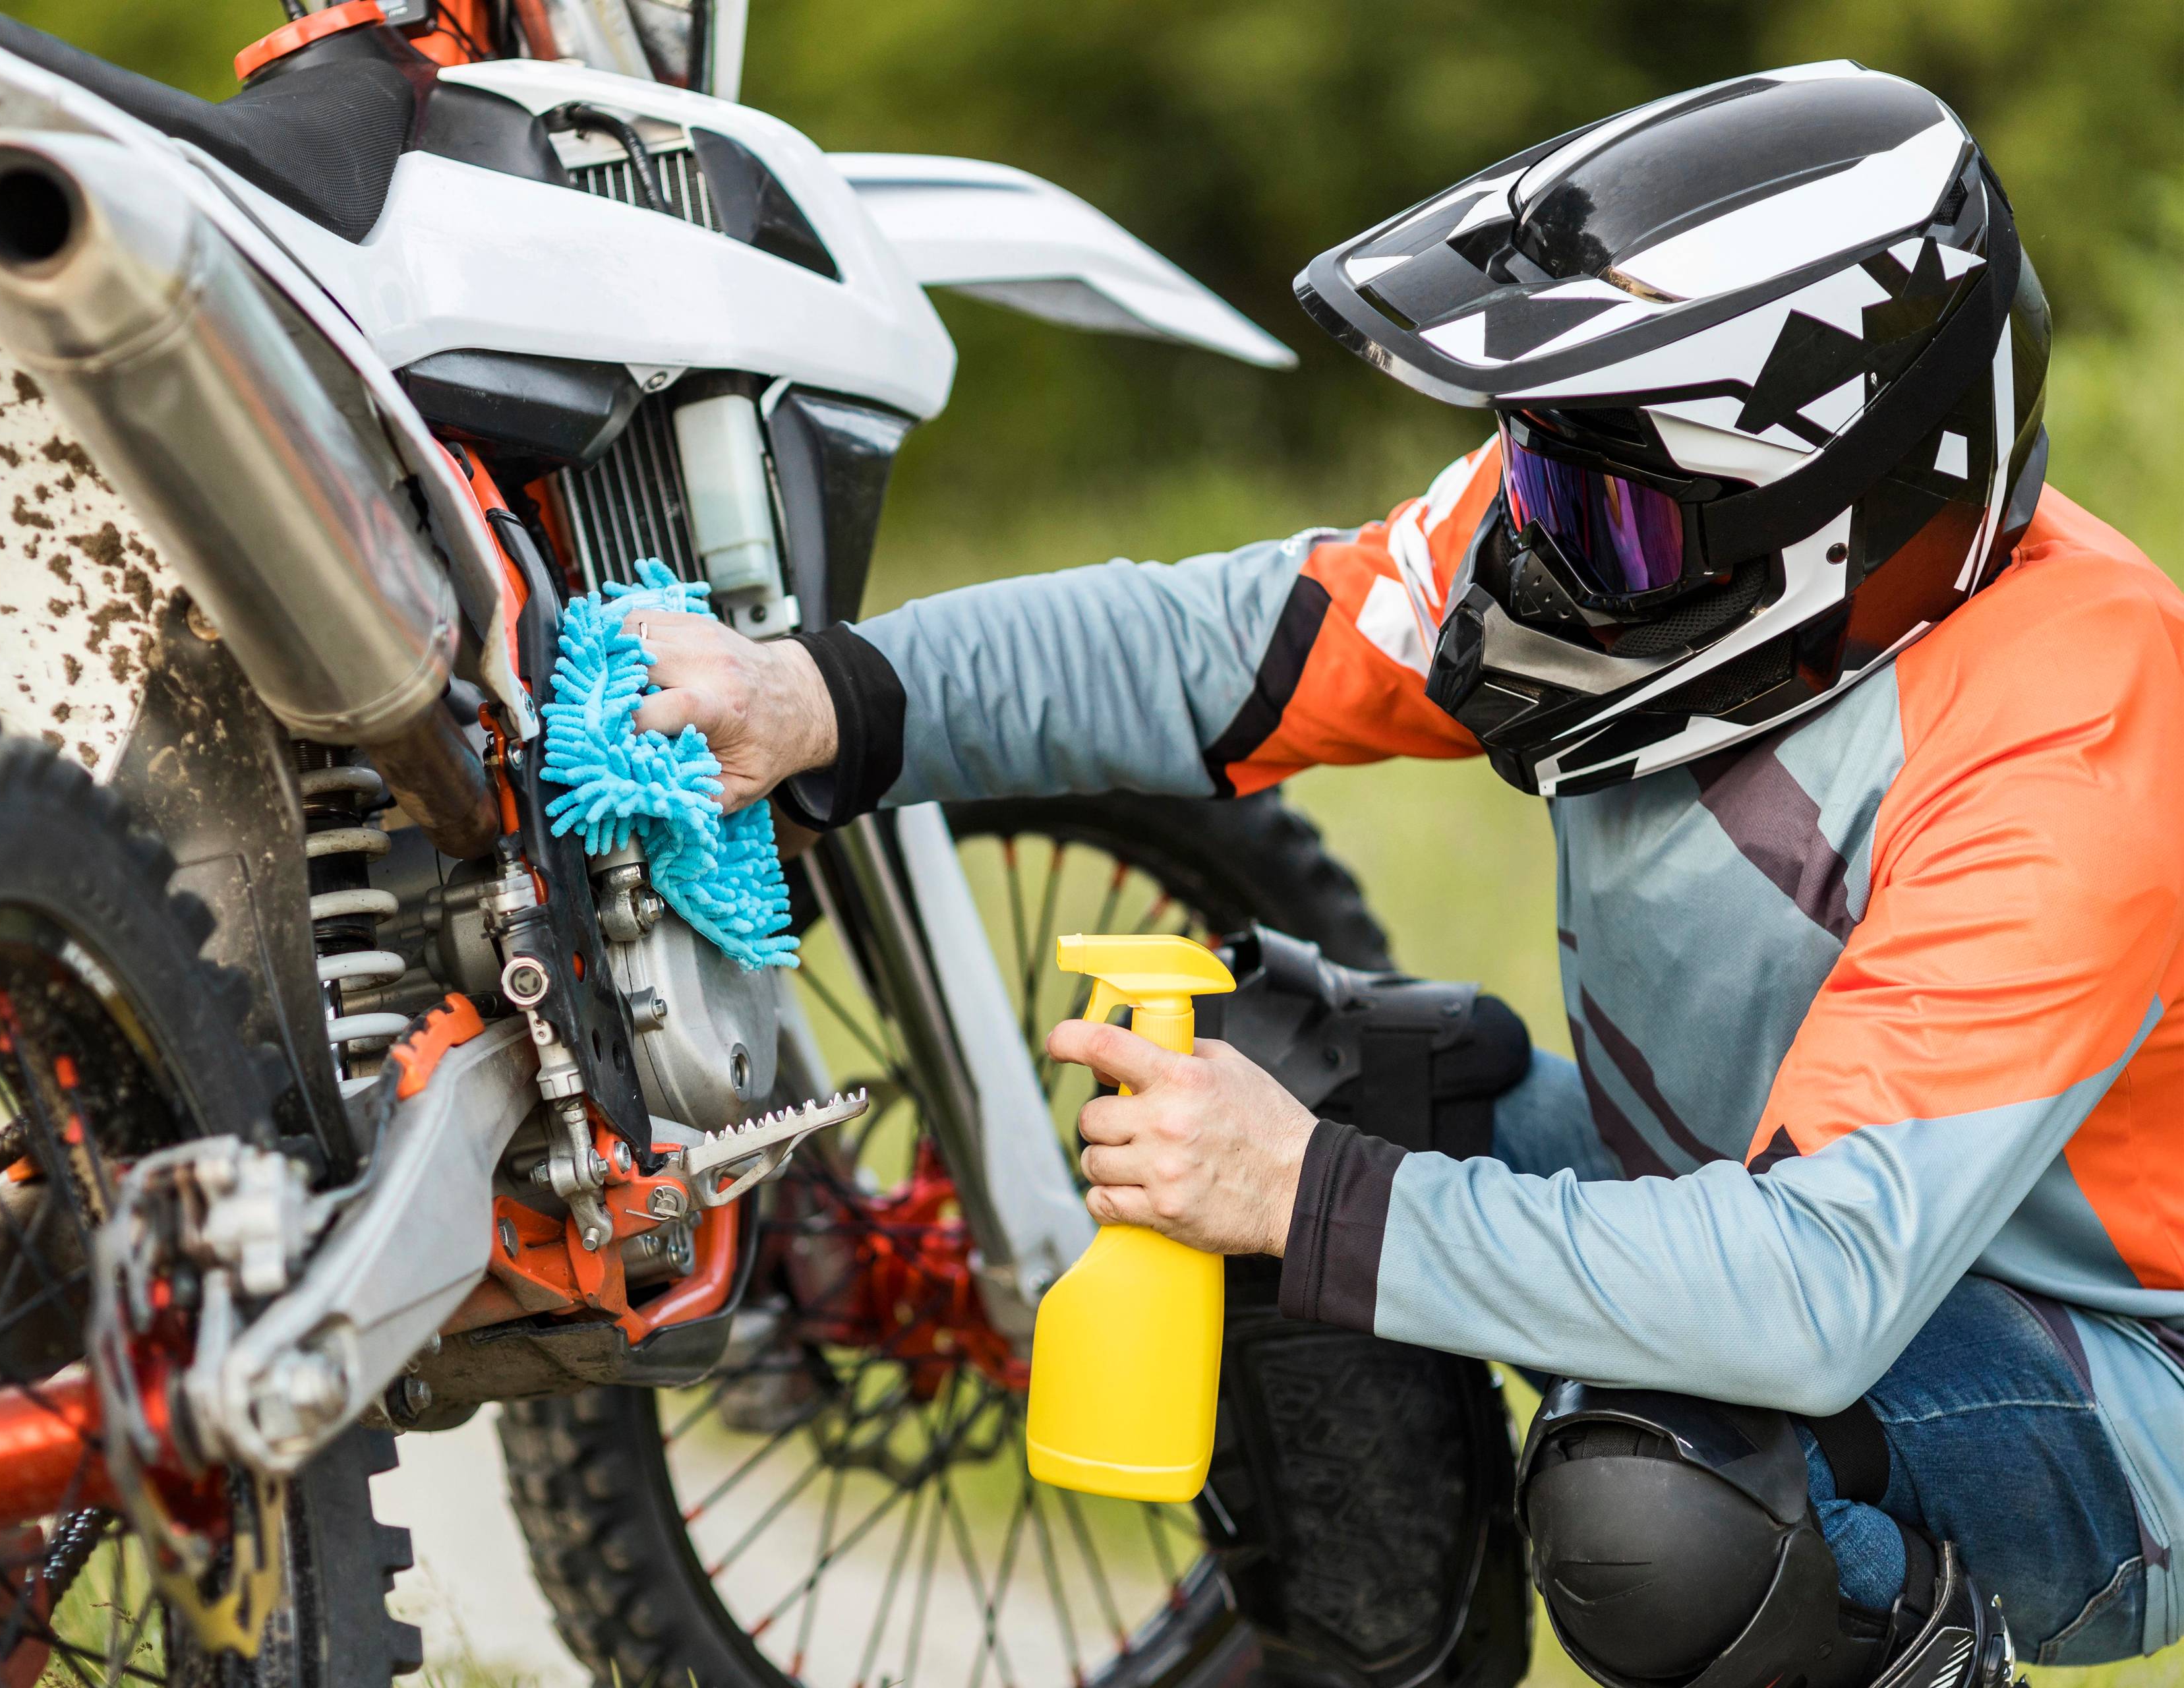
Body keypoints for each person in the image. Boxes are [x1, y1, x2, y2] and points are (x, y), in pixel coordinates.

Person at [630, 62, 2184, 1688]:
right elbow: (1223, 643)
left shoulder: (2065, 738)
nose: (1537, 545)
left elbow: (1810, 1293)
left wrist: (1310, 1194)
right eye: (1539, 471)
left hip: (2095, 1379)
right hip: (1739, 1197)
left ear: (1834, 521)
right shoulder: (1625, 548)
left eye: (1608, 510)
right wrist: (811, 698)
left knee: (1663, 1507)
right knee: (1254, 1069)